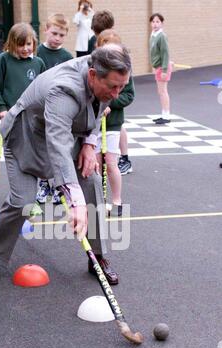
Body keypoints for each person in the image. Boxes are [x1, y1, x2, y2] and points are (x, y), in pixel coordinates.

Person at [0, 45, 132, 286]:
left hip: (67, 132)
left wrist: (90, 144)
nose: (116, 93)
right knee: (23, 202)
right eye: (113, 86)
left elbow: (97, 110)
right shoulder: (64, 90)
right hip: (25, 137)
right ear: (92, 75)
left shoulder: (104, 69)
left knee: (90, 183)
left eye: (122, 86)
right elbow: (57, 145)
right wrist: (75, 202)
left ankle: (97, 258)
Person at [95, 30, 135, 217]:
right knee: (95, 163)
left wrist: (110, 103)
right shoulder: (97, 69)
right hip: (94, 123)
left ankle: (117, 200)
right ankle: (95, 200)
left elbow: (128, 95)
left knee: (111, 162)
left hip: (112, 124)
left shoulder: (124, 70)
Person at [88, 9, 132, 175]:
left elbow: (128, 93)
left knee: (119, 129)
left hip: (113, 117)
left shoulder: (120, 54)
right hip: (98, 115)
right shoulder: (94, 54)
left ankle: (125, 157)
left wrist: (110, 101)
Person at [36, 13, 73, 205]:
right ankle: (44, 185)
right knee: (42, 149)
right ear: (46, 30)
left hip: (60, 109)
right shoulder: (37, 53)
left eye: (61, 35)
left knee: (58, 148)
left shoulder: (67, 57)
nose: (57, 38)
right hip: (41, 107)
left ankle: (60, 186)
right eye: (54, 33)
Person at [0, 22, 46, 120]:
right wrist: (1, 107)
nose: (25, 48)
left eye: (28, 44)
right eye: (20, 45)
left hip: (33, 114)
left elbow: (44, 89)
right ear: (12, 44)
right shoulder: (4, 59)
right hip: (10, 113)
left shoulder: (39, 63)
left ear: (34, 42)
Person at [149, 13, 172, 125]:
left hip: (162, 68)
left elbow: (165, 53)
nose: (155, 24)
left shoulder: (161, 36)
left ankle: (166, 115)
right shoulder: (153, 34)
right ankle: (163, 113)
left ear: (162, 23)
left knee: (163, 91)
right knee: (161, 91)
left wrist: (164, 70)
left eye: (157, 22)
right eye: (153, 22)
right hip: (158, 67)